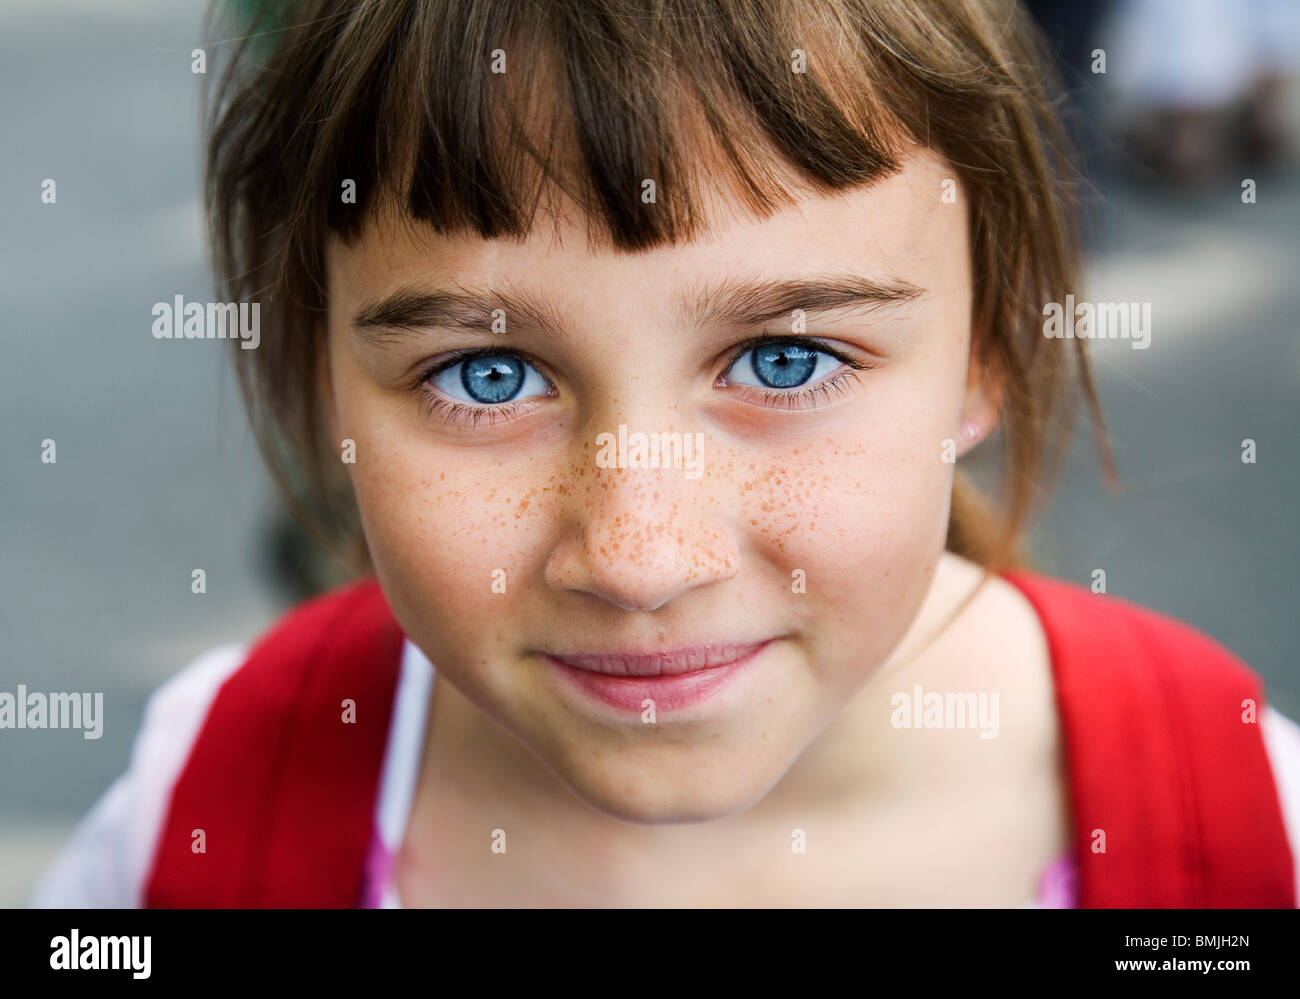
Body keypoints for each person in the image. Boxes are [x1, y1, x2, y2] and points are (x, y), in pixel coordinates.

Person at [32, 0, 1300, 908]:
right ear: (324, 391)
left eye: (785, 362)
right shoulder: (188, 824)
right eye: (488, 376)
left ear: (989, 352)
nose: (639, 560)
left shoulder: (1249, 831)